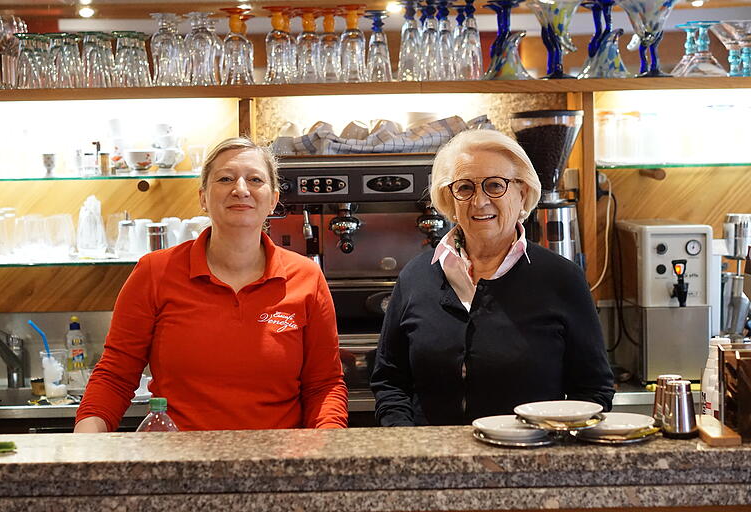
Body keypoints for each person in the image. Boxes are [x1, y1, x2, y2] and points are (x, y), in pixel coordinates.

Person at [75, 137, 348, 432]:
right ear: (203, 198)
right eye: (226, 178)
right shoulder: (155, 272)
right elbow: (115, 376)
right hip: (180, 465)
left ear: (273, 200)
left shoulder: (306, 277)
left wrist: (325, 451)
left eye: (255, 179)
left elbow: (324, 385)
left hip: (279, 465)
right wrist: (86, 446)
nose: (240, 189)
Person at [370, 129, 614, 427]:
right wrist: (408, 444)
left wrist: (550, 444)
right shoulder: (416, 276)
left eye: (495, 185)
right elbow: (390, 381)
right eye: (465, 188)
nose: (479, 201)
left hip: (530, 461)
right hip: (432, 463)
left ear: (522, 192)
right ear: (450, 197)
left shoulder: (562, 279)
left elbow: (593, 390)